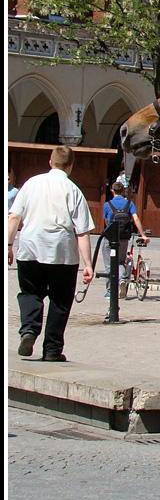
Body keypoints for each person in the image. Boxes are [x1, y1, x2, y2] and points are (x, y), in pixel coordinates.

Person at [8, 145, 95, 362]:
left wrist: (8, 245)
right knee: (60, 300)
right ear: (71, 166)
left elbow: (13, 217)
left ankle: (29, 329)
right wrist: (88, 264)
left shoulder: (31, 184)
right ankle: (52, 350)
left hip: (30, 247)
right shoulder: (73, 190)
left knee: (29, 292)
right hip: (61, 252)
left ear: (50, 161)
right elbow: (82, 232)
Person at [101, 182, 149, 298]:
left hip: (110, 238)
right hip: (123, 238)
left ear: (112, 191)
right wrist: (142, 234)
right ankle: (122, 280)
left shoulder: (107, 205)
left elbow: (106, 222)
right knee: (121, 261)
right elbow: (136, 219)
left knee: (109, 264)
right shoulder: (129, 204)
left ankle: (109, 291)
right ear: (123, 191)